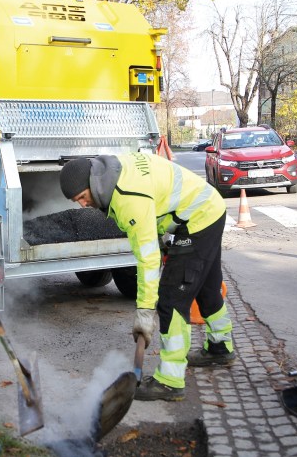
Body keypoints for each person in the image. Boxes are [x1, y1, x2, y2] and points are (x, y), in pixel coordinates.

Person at [59, 153, 235, 401]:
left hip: (198, 218)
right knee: (206, 287)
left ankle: (171, 381)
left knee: (172, 300)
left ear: (93, 184)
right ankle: (221, 346)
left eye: (82, 197)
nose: (82, 204)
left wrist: (144, 310)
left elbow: (147, 258)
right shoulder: (114, 171)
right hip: (208, 208)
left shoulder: (127, 199)